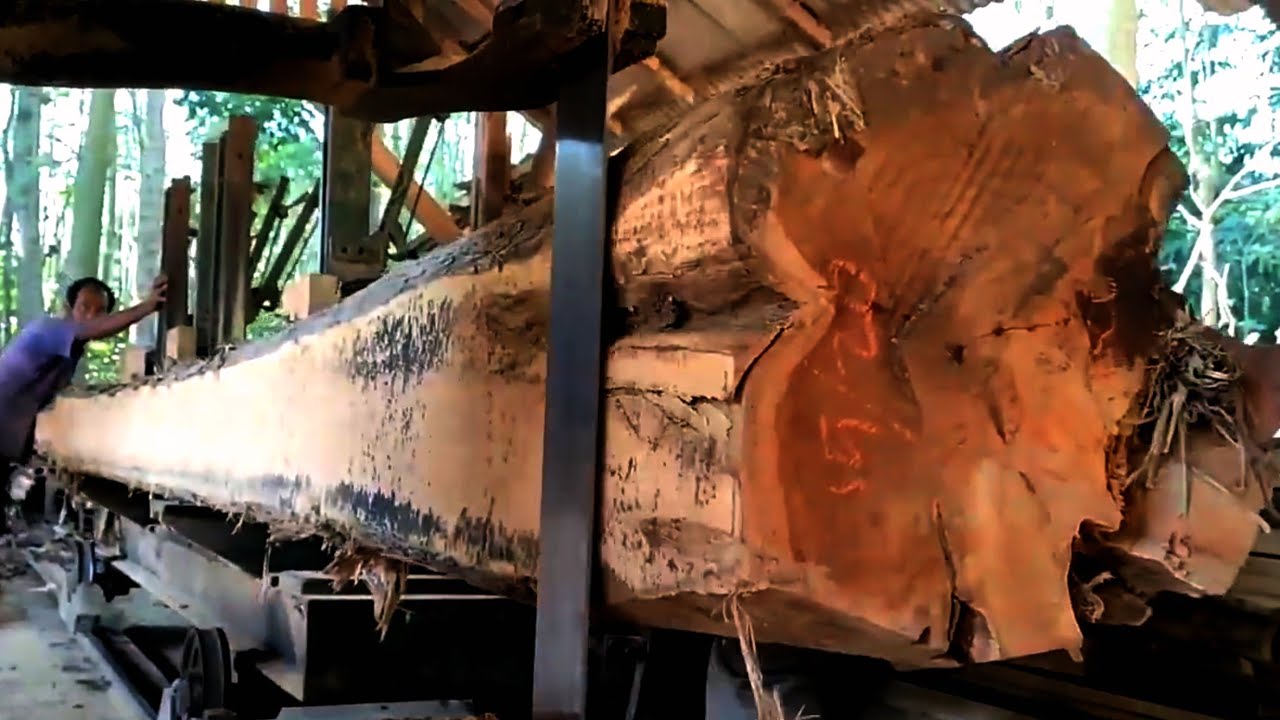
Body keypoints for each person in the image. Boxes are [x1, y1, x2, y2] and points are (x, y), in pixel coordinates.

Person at [0, 274, 167, 531]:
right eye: (84, 308)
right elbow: (90, 330)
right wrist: (147, 306)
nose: (91, 316)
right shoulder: (49, 330)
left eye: (100, 311)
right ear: (68, 309)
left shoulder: (68, 351)